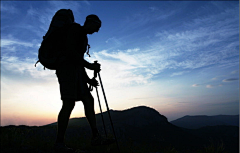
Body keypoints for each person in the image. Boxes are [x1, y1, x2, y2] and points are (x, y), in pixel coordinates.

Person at [54, 14, 114, 152]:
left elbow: (78, 62)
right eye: (97, 27)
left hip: (74, 72)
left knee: (88, 99)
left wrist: (88, 80)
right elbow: (71, 54)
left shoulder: (83, 36)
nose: (97, 31)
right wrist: (90, 67)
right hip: (66, 71)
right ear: (90, 23)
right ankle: (59, 143)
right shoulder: (74, 29)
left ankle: (95, 136)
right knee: (69, 104)